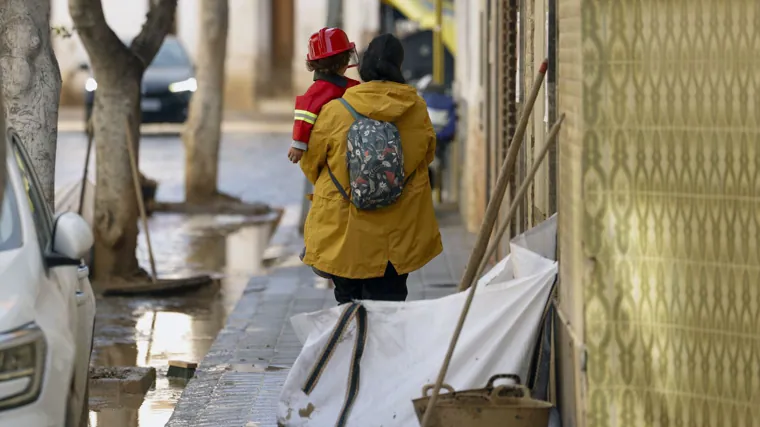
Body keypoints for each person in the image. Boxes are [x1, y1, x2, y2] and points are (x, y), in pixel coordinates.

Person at [299, 33, 443, 304]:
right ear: (398, 67)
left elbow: (311, 164)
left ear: (362, 67)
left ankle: (354, 345)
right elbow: (427, 157)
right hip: (397, 238)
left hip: (344, 234)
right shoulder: (416, 108)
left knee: (348, 313)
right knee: (388, 315)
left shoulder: (336, 110)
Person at [288, 27, 360, 164]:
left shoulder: (318, 90)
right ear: (344, 61)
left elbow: (303, 115)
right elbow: (304, 115)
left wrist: (299, 143)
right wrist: (298, 144)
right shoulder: (352, 87)